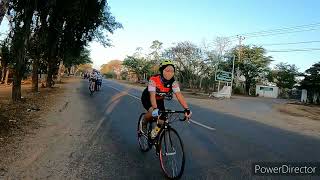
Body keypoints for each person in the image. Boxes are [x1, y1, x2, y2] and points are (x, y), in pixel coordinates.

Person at [140, 60, 192, 139]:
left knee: (162, 120)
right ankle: (144, 121)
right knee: (154, 113)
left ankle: (153, 134)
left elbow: (179, 96)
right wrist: (154, 109)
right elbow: (152, 96)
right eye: (167, 70)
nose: (170, 73)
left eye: (172, 71)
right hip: (148, 98)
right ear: (162, 71)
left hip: (159, 100)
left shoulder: (173, 83)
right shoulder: (153, 80)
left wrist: (187, 109)